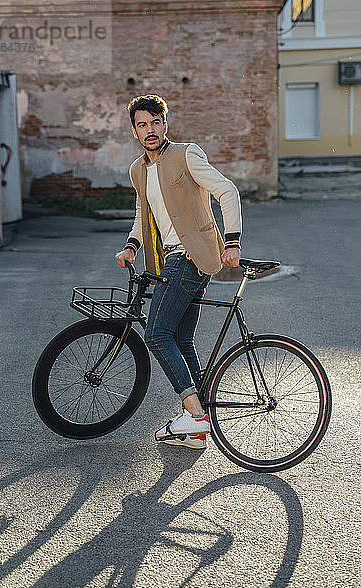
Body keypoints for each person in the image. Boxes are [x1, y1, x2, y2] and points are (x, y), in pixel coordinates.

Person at [115, 94, 242, 450]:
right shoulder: (138, 169)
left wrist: (232, 243)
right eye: (142, 124)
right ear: (134, 131)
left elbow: (227, 191)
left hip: (189, 257)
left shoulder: (186, 154)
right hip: (169, 258)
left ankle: (194, 413)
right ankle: (198, 432)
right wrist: (131, 246)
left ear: (165, 124)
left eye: (156, 122)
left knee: (156, 335)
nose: (150, 130)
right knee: (181, 339)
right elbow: (144, 214)